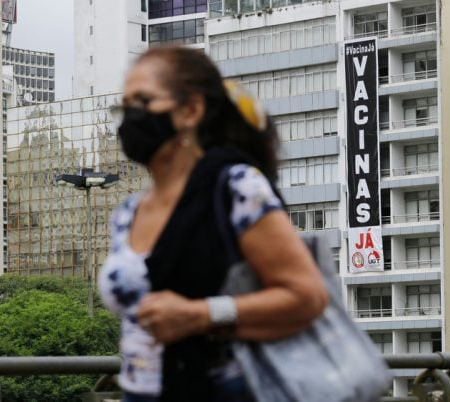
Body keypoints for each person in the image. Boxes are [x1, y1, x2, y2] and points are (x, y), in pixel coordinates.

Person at [98, 46, 328, 402]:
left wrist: (201, 314)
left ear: (190, 109)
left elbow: (307, 297)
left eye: (144, 101)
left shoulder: (236, 188)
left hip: (225, 388)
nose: (132, 118)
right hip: (140, 391)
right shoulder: (127, 213)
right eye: (125, 107)